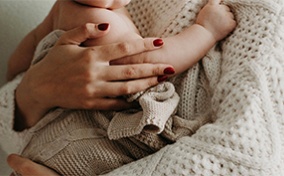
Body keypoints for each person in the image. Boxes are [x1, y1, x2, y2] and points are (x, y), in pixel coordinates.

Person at [3, 0, 238, 175]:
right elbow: (149, 63)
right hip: (97, 137)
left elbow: (22, 56)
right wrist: (206, 31)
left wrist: (27, 78)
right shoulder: (93, 17)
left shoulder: (64, 8)